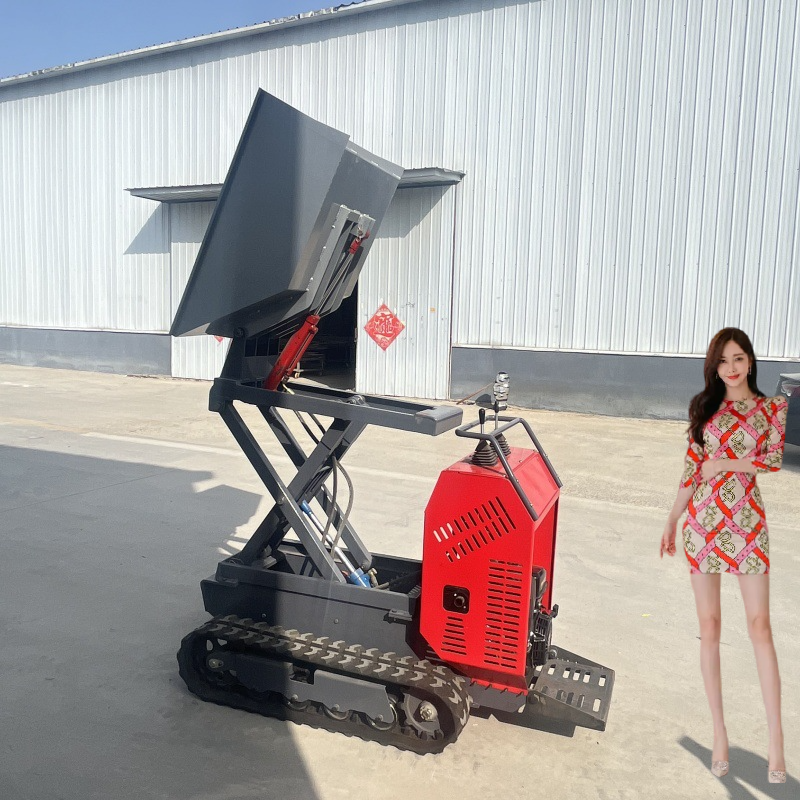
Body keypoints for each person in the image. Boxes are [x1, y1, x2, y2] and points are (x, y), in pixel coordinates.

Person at [660, 327, 789, 784]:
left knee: (760, 627)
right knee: (710, 627)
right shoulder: (704, 408)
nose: (731, 368)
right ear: (714, 368)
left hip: (748, 525)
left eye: (738, 358)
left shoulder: (772, 408)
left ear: (750, 361)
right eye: (722, 361)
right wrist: (672, 518)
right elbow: (691, 470)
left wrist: (726, 463)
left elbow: (773, 459)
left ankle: (776, 742)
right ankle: (719, 734)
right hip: (703, 525)